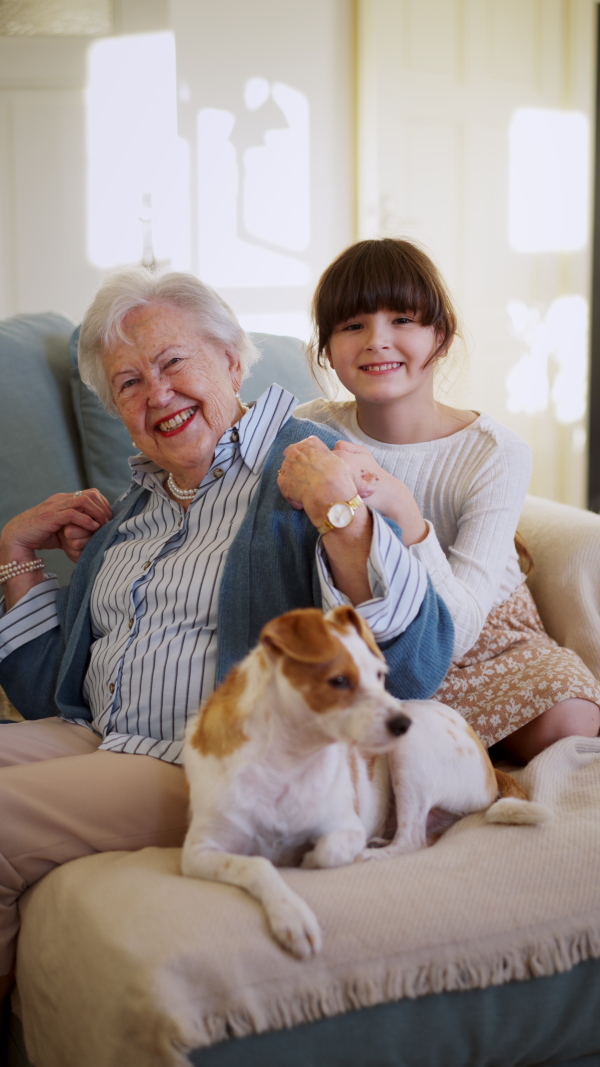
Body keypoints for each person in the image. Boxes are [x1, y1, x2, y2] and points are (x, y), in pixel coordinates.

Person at [0, 268, 454, 1021]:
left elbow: (413, 662)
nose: (157, 394)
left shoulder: (309, 466)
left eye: (174, 362)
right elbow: (51, 692)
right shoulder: (135, 507)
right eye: (129, 382)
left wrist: (338, 512)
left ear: (233, 361)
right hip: (100, 736)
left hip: (203, 759)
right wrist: (17, 553)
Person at [296, 237, 600, 765]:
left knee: (575, 717)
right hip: (374, 635)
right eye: (352, 326)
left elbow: (456, 633)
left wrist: (404, 511)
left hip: (481, 626)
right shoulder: (310, 428)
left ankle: (430, 739)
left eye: (403, 320)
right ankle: (429, 739)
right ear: (326, 349)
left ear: (440, 335)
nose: (377, 341)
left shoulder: (495, 452)